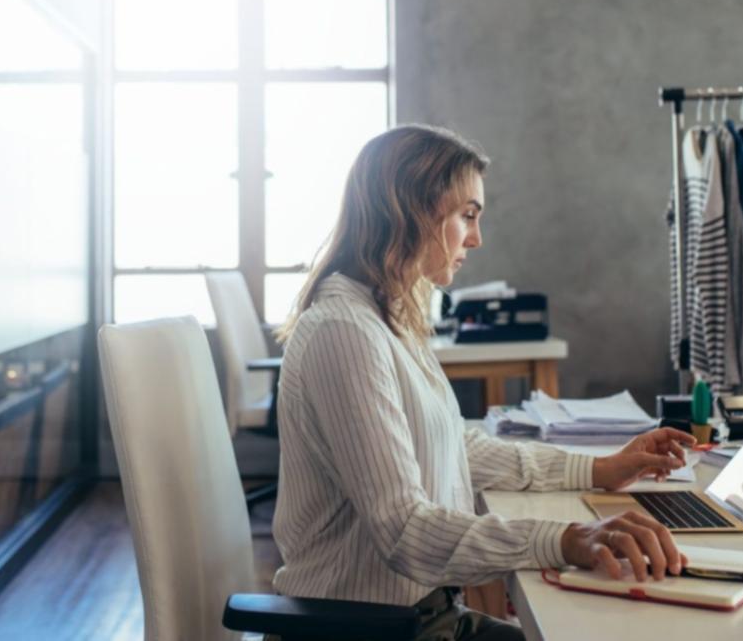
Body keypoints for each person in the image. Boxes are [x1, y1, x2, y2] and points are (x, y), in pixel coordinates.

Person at [270, 125, 695, 641]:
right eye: (467, 216)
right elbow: (405, 531)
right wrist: (566, 540)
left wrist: (597, 469)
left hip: (419, 617)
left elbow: (458, 447)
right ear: (413, 211)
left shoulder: (388, 316)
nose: (476, 238)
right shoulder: (345, 331)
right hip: (364, 630)